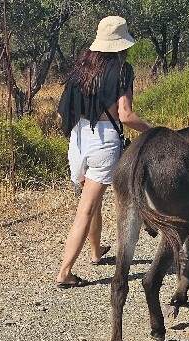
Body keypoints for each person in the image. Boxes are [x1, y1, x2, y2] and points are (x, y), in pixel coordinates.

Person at [55, 16, 151, 289]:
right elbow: (126, 115)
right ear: (121, 44)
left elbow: (62, 111)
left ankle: (96, 252)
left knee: (90, 199)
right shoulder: (123, 71)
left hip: (78, 141)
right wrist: (154, 131)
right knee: (85, 209)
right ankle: (64, 272)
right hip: (105, 142)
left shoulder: (80, 68)